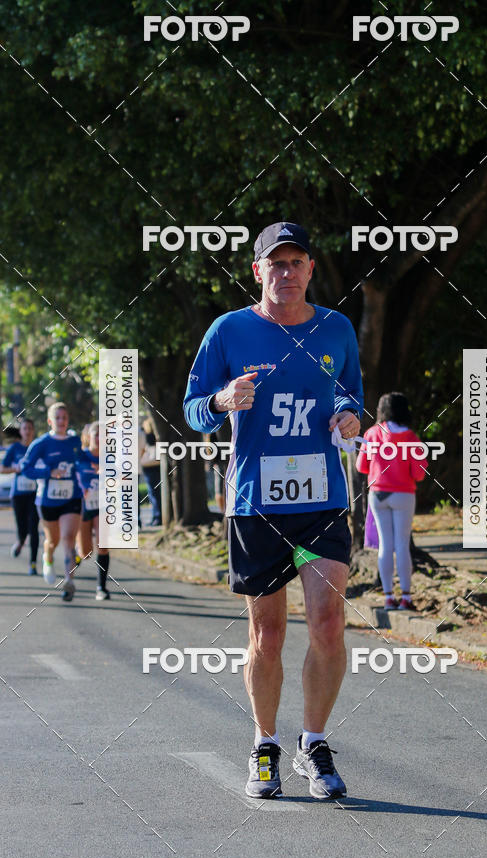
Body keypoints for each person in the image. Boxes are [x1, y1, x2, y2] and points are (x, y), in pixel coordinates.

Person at [184, 221, 363, 801]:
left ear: (312, 270)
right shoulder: (229, 330)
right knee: (268, 633)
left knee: (328, 624)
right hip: (256, 503)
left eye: (297, 263)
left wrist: (348, 416)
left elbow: (351, 393)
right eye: (275, 264)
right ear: (257, 271)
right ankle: (265, 745)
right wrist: (220, 399)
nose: (286, 273)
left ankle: (314, 742)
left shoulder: (337, 329)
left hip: (323, 502)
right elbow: (193, 410)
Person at [356, 393, 427, 610]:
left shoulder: (372, 433)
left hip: (378, 495)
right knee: (402, 546)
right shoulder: (411, 438)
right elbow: (420, 473)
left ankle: (388, 597)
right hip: (403, 495)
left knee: (385, 546)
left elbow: (361, 467)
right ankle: (406, 597)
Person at [21, 402, 82, 602]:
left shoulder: (75, 441)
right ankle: (47, 558)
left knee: (68, 539)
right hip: (47, 500)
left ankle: (69, 581)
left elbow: (84, 460)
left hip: (71, 498)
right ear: (50, 421)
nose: (61, 421)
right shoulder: (41, 444)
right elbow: (25, 468)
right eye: (57, 418)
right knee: (53, 541)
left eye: (64, 417)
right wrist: (49, 473)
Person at [75, 421, 111, 600]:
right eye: (96, 434)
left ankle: (101, 588)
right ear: (88, 436)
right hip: (83, 506)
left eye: (103, 434)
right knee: (86, 553)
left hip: (103, 505)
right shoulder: (80, 456)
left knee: (103, 546)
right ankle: (77, 552)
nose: (99, 437)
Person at [1, 418, 40, 574]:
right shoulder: (15, 448)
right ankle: (20, 541)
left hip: (34, 493)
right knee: (22, 527)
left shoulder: (38, 446)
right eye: (25, 428)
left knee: (33, 527)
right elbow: (2, 468)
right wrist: (15, 468)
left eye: (30, 428)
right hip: (18, 494)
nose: (28, 431)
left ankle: (33, 563)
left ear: (33, 431)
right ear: (21, 431)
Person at [140, 419, 162, 525]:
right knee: (156, 493)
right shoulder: (157, 435)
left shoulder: (146, 436)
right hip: (157, 465)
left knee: (153, 493)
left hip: (149, 466)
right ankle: (157, 516)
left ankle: (157, 517)